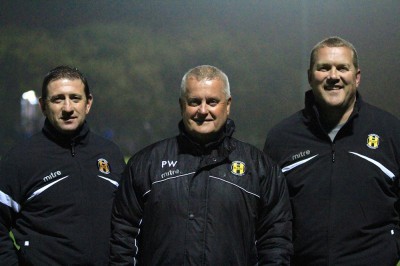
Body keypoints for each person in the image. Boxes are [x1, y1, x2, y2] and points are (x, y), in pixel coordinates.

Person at [109, 65, 293, 265]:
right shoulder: (145, 164)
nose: (203, 110)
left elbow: (275, 244)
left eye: (212, 101)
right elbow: (123, 240)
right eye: (194, 102)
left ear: (228, 104)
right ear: (182, 105)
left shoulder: (261, 168)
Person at [264, 36, 400, 265]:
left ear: (356, 77)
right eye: (324, 68)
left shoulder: (391, 131)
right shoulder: (281, 138)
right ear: (310, 76)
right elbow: (268, 218)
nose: (333, 76)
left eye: (342, 68)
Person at [0, 66, 126, 265]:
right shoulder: (20, 159)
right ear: (43, 105)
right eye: (58, 99)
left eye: (75, 98)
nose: (67, 108)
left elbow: (127, 224)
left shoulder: (110, 154)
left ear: (88, 103)